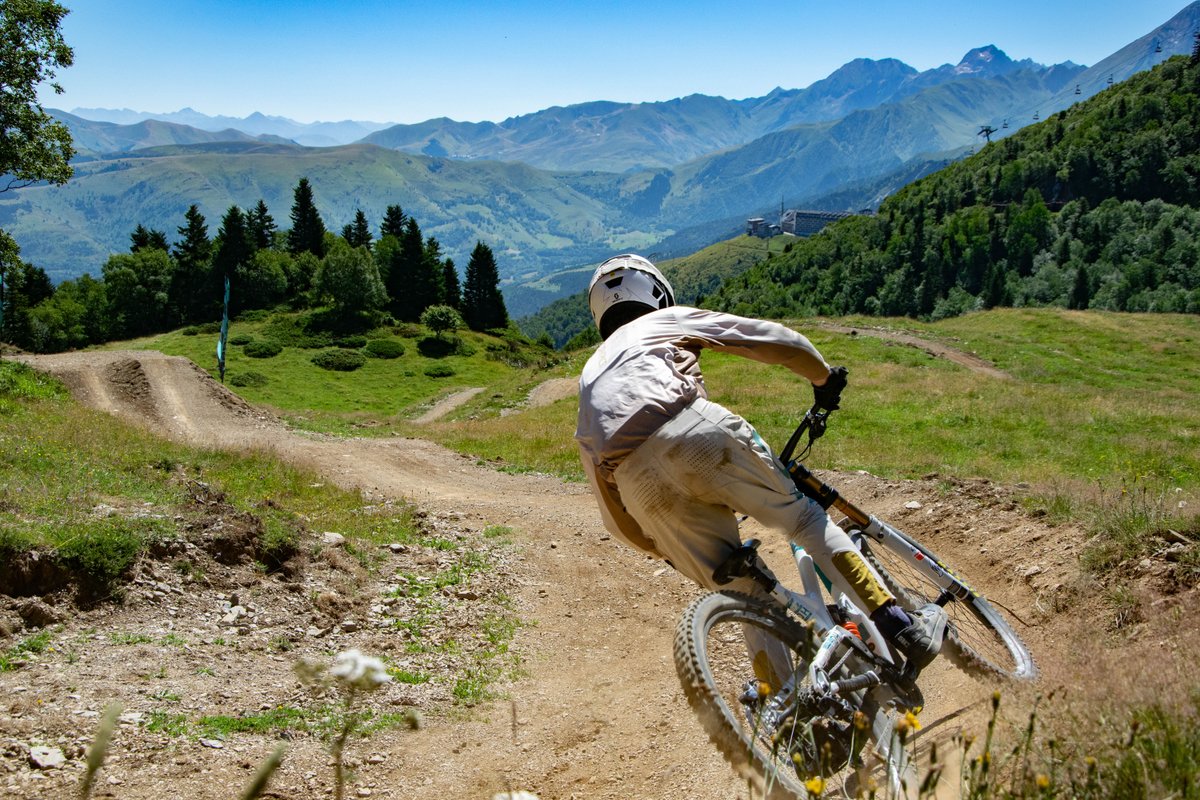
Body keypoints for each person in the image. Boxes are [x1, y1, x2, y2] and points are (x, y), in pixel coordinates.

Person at [574, 253, 947, 680]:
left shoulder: (587, 378)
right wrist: (822, 377)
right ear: (656, 291)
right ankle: (901, 626)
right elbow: (767, 339)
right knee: (804, 519)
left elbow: (612, 511)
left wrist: (661, 545)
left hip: (636, 484)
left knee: (743, 592)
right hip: (692, 431)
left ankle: (790, 713)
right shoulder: (662, 321)